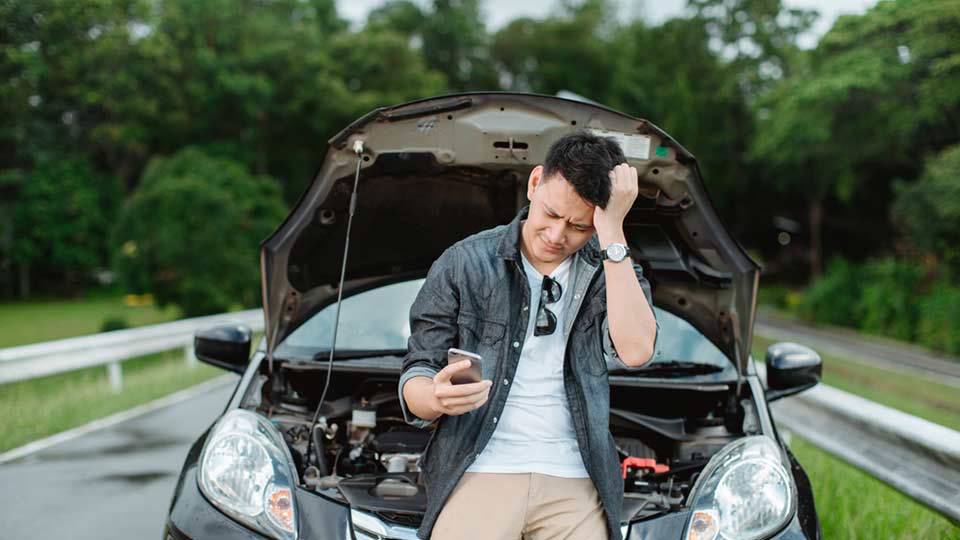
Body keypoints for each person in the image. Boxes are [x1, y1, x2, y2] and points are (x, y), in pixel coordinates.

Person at [398, 131, 660, 540]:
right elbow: (417, 369)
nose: (557, 237)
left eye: (579, 225)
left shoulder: (611, 267)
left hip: (575, 474)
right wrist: (434, 397)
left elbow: (637, 350)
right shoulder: (463, 262)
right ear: (535, 183)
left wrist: (612, 233)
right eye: (552, 215)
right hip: (480, 467)